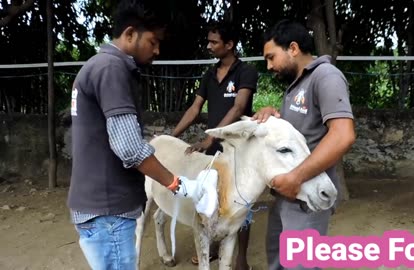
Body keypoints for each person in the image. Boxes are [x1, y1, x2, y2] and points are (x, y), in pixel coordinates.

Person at [67, 1, 214, 269]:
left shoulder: (96, 65)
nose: (157, 50)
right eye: (153, 41)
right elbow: (129, 148)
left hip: (98, 205)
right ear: (130, 34)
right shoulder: (111, 69)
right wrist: (178, 184)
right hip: (109, 209)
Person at [253, 20, 356, 270]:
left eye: (271, 57)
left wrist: (296, 178)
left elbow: (343, 135)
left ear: (294, 48)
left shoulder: (326, 76)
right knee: (278, 261)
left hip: (306, 195)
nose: (269, 66)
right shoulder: (297, 84)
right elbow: (300, 134)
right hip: (288, 195)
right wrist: (275, 116)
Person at [172, 22, 258, 270]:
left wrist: (211, 138)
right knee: (210, 199)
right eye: (208, 41)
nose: (209, 46)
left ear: (229, 45)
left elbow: (239, 108)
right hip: (213, 149)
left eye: (214, 42)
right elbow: (194, 109)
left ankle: (241, 259)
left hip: (239, 149)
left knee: (242, 202)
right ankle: (211, 249)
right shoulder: (209, 74)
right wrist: (171, 137)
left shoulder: (246, 72)